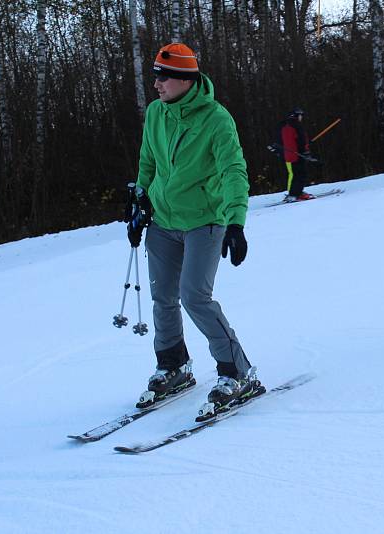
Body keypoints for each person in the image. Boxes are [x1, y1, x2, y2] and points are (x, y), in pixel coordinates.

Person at [127, 42, 261, 411]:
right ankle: (174, 367)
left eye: (164, 77)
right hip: (163, 222)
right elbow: (148, 162)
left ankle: (238, 372)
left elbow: (233, 170)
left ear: (186, 80)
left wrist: (235, 221)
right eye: (155, 76)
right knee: (163, 298)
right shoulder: (156, 113)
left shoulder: (216, 119)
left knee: (195, 297)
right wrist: (140, 201)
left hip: (205, 220)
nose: (156, 85)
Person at [277, 108, 318, 202]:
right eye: (300, 115)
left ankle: (295, 193)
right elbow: (301, 140)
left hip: (290, 154)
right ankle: (296, 194)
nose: (301, 118)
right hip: (297, 155)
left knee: (297, 174)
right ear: (295, 116)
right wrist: (305, 151)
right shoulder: (296, 126)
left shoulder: (285, 126)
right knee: (300, 175)